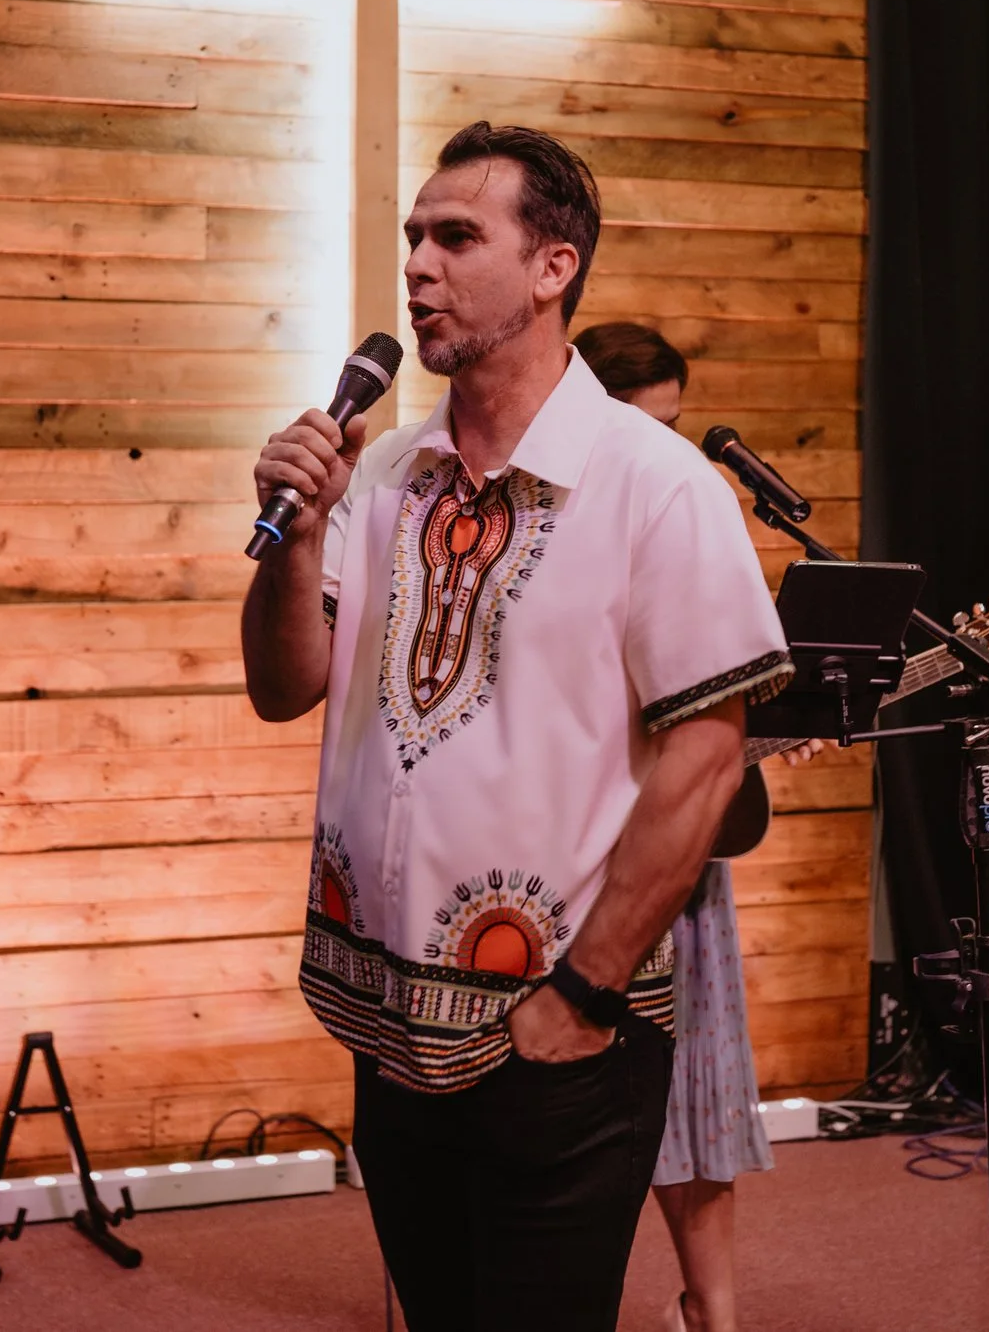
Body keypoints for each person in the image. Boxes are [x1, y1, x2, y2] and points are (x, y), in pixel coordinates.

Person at [241, 125, 794, 1331]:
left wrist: (583, 997)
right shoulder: (381, 473)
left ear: (553, 267)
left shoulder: (656, 484)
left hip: (558, 1034)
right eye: (413, 239)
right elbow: (285, 686)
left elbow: (705, 759)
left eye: (455, 237)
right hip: (386, 1024)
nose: (418, 268)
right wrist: (294, 534)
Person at [572, 322, 807, 1332]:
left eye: (676, 425)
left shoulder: (692, 513)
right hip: (572, 874)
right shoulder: (551, 523)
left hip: (682, 875)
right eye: (647, 425)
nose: (667, 448)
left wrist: (765, 735)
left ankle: (713, 1312)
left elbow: (708, 713)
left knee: (696, 1104)